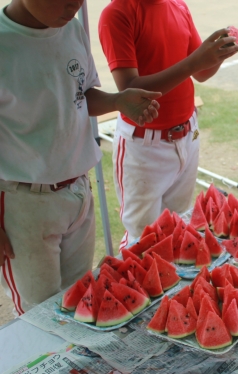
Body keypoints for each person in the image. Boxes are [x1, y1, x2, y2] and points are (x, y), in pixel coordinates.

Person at [0, 0, 161, 315]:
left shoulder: (71, 27)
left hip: (78, 190)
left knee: (79, 299)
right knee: (39, 315)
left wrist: (118, 101)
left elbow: (81, 93)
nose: (74, 4)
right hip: (24, 203)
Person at [99, 0, 238, 250]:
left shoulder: (178, 6)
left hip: (187, 136)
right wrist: (195, 62)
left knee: (178, 230)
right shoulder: (117, 13)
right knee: (143, 241)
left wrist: (220, 54)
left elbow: (201, 72)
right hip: (143, 146)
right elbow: (130, 89)